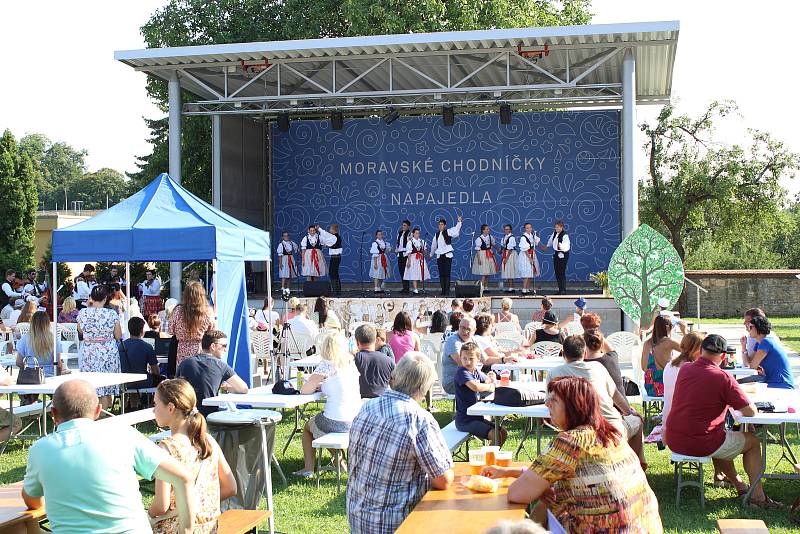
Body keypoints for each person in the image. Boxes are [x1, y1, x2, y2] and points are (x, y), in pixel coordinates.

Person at [482, 376, 662, 532]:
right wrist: (508, 472)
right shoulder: (610, 435)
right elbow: (553, 473)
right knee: (553, 496)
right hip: (643, 526)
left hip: (604, 529)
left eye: (554, 400)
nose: (546, 404)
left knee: (549, 502)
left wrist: (542, 489)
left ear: (574, 407)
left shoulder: (570, 442)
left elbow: (516, 493)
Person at [22, 379, 196, 534]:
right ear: (99, 410)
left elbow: (32, 500)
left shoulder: (40, 450)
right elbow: (183, 478)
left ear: (53, 413)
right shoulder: (123, 434)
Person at [665, 334, 780, 509]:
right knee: (752, 441)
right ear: (723, 356)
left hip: (675, 438)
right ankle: (758, 497)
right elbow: (750, 412)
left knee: (723, 437)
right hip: (701, 442)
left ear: (701, 350)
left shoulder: (686, 369)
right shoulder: (723, 378)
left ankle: (740, 485)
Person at [347, 351, 453, 533]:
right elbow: (443, 479)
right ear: (424, 388)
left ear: (394, 377)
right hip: (395, 523)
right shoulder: (419, 420)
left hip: (357, 516)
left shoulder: (367, 407)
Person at [149, 379, 237, 533]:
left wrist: (148, 513)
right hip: (208, 527)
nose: (153, 410)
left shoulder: (167, 448)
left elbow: (161, 505)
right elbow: (231, 487)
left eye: (156, 404)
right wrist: (200, 505)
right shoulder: (207, 440)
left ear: (170, 408)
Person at [547, 335, 646, 468]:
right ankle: (635, 466)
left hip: (579, 430)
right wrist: (628, 412)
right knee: (637, 420)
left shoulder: (555, 373)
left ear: (563, 354)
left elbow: (549, 403)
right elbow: (615, 394)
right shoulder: (597, 368)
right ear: (585, 353)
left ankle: (630, 464)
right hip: (607, 428)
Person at [295, 333, 362, 478]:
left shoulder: (327, 364)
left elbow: (305, 390)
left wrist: (316, 384)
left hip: (335, 420)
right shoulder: (351, 364)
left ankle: (308, 469)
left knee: (308, 427)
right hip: (354, 420)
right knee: (324, 426)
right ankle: (338, 460)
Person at [176, 330, 248, 417]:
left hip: (185, 415)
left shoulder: (185, 363)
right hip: (210, 415)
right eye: (224, 346)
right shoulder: (221, 365)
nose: (226, 350)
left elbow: (176, 388)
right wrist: (226, 388)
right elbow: (243, 388)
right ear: (213, 346)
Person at [77, 285, 122, 409]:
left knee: (93, 386)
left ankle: (99, 412)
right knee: (106, 387)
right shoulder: (111, 314)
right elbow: (118, 335)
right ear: (105, 298)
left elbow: (80, 330)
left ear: (91, 297)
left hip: (88, 351)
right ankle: (105, 414)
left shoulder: (83, 312)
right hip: (107, 352)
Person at [454, 342, 506, 444]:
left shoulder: (475, 371)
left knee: (502, 433)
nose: (467, 362)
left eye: (471, 359)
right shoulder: (462, 372)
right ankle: (489, 459)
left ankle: (493, 457)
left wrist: (492, 376)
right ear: (460, 358)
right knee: (494, 435)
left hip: (477, 417)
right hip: (465, 420)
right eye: (464, 358)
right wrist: (490, 387)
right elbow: (475, 387)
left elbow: (488, 379)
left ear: (478, 359)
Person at [662, 331, 705, 442]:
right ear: (698, 349)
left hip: (667, 423)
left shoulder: (669, 365)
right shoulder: (692, 369)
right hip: (684, 426)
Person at [442, 316, 498, 395]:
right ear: (459, 327)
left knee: (495, 386)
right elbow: (464, 365)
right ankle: (478, 406)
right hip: (453, 381)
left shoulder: (473, 340)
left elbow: (485, 360)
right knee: (488, 391)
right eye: (462, 328)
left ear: (474, 331)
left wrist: (504, 359)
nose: (465, 331)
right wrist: (488, 384)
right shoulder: (453, 341)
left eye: (468, 329)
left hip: (472, 376)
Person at [168, 282, 216, 367]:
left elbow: (171, 330)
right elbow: (212, 331)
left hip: (182, 350)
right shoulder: (208, 312)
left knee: (183, 377)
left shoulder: (178, 310)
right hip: (200, 349)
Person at [746, 315, 795, 389]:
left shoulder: (766, 342)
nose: (749, 330)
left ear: (758, 327)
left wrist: (756, 366)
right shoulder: (759, 343)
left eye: (751, 327)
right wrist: (743, 348)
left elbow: (752, 366)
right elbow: (748, 363)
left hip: (782, 384)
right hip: (773, 382)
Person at [16, 311, 63, 381]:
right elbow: (58, 364)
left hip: (31, 376)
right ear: (47, 323)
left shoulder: (25, 338)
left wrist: (28, 368)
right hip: (50, 376)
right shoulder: (53, 339)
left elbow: (19, 362)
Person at [640, 315, 680, 397]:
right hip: (666, 388)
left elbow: (643, 368)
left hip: (651, 389)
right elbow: (690, 350)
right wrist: (684, 332)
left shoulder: (647, 343)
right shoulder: (669, 342)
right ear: (668, 327)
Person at [353, 324, 395, 398]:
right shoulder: (389, 361)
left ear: (357, 342)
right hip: (382, 403)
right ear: (375, 340)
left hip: (359, 403)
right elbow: (395, 386)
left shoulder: (354, 360)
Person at [119, 317, 160, 392]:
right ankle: (149, 402)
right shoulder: (147, 347)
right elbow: (156, 371)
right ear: (142, 331)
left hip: (124, 382)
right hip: (143, 382)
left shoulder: (121, 345)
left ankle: (132, 403)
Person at [582, 328, 624, 396]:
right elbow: (607, 346)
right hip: (622, 403)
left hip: (603, 405)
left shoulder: (582, 365)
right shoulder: (612, 357)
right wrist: (596, 333)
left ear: (584, 346)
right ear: (602, 344)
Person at [430, 215, 462, 296]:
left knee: (447, 273)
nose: (440, 226)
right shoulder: (436, 235)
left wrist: (459, 222)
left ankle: (447, 291)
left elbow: (456, 230)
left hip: (447, 256)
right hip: (439, 256)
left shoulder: (448, 231)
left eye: (442, 224)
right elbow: (434, 245)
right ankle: (443, 290)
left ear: (445, 226)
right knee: (441, 274)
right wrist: (431, 254)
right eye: (439, 224)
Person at [539, 220, 570, 295]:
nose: (556, 228)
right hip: (556, 254)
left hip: (563, 254)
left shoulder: (565, 235)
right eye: (555, 227)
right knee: (557, 272)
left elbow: (567, 246)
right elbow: (550, 241)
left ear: (561, 227)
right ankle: (560, 289)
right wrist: (546, 247)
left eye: (557, 227)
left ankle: (563, 290)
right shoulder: (555, 233)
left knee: (561, 272)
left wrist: (561, 246)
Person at [316, 223, 343, 295]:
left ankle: (335, 291)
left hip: (335, 258)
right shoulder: (334, 236)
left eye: (330, 229)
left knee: (332, 273)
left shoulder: (334, 237)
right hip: (335, 257)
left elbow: (326, 240)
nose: (329, 230)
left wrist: (319, 237)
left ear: (334, 230)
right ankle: (337, 291)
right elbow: (326, 234)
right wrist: (319, 229)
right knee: (335, 273)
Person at [403, 227, 430, 294]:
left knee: (419, 273)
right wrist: (409, 261)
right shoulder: (410, 242)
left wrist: (427, 254)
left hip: (420, 259)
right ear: (413, 234)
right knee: (414, 273)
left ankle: (416, 288)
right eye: (416, 233)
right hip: (413, 258)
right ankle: (415, 289)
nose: (417, 234)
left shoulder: (421, 241)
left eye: (418, 233)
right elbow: (409, 252)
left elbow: (424, 250)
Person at [516, 223, 540, 295]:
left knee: (530, 272)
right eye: (527, 228)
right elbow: (525, 250)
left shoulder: (532, 236)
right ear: (525, 229)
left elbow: (536, 243)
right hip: (526, 256)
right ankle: (524, 289)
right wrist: (530, 258)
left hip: (531, 254)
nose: (529, 229)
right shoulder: (523, 237)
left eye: (530, 228)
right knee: (526, 272)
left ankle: (528, 288)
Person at [472, 224, 498, 288]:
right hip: (482, 255)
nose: (488, 230)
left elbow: (493, 244)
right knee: (484, 273)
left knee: (488, 272)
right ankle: (482, 287)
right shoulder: (479, 239)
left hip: (489, 255)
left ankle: (486, 286)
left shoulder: (490, 237)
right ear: (483, 230)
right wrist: (479, 259)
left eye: (488, 229)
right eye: (487, 229)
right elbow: (477, 250)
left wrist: (498, 249)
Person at [498, 224, 518, 293]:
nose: (506, 230)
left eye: (508, 229)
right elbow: (503, 247)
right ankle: (511, 287)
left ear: (510, 230)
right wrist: (500, 251)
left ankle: (511, 287)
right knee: (508, 270)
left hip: (510, 255)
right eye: (505, 229)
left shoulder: (511, 237)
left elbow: (510, 249)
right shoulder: (504, 237)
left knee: (510, 270)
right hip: (506, 254)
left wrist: (506, 258)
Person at [396, 220, 412, 294]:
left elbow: (410, 245)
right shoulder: (399, 233)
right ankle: (404, 287)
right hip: (400, 254)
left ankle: (407, 288)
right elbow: (398, 244)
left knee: (406, 272)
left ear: (408, 226)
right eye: (403, 225)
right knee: (401, 271)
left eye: (405, 225)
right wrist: (397, 251)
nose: (403, 226)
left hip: (406, 254)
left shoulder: (410, 234)